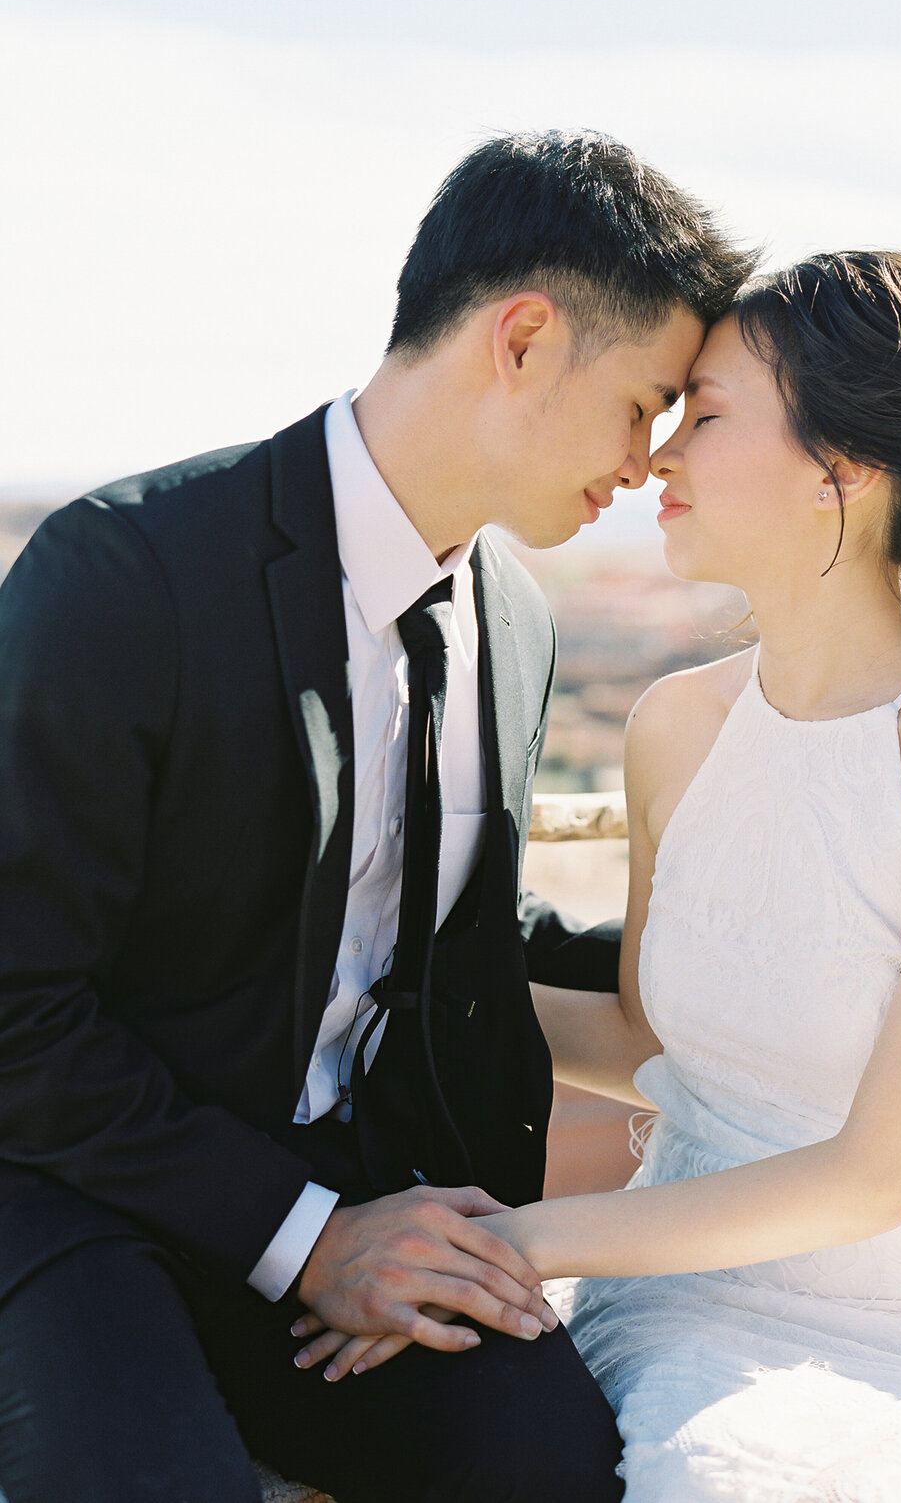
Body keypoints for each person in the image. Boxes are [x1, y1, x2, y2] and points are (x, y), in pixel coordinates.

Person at [0, 130, 756, 1503]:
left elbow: (448, 910)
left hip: (356, 1198)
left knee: (559, 1466)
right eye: (645, 401)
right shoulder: (126, 573)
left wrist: (754, 982)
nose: (651, 462)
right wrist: (306, 1238)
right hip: (73, 1193)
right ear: (522, 338)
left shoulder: (515, 621)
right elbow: (10, 1003)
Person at [305, 251, 901, 1500]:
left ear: (842, 468)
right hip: (687, 1296)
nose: (658, 456)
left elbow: (871, 1176)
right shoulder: (675, 727)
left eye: (708, 415)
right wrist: (358, 980)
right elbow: (646, 1034)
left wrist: (504, 1243)